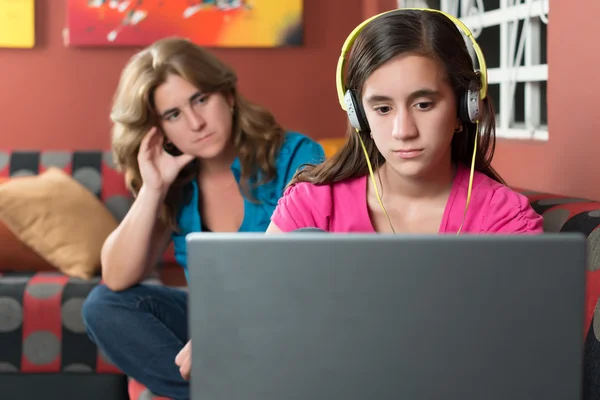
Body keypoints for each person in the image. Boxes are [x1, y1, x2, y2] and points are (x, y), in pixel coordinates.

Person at [82, 37, 325, 400]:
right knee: (103, 307)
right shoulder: (177, 184)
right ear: (159, 130)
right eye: (173, 115)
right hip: (210, 326)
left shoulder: (295, 155)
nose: (195, 123)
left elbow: (309, 272)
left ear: (226, 95)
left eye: (200, 99)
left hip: (284, 322)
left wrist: (227, 327)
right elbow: (116, 278)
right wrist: (153, 188)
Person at [267, 9, 543, 235]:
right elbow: (255, 298)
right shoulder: (310, 206)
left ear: (464, 108)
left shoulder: (505, 219)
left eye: (423, 105)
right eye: (383, 108)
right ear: (360, 116)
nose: (403, 131)